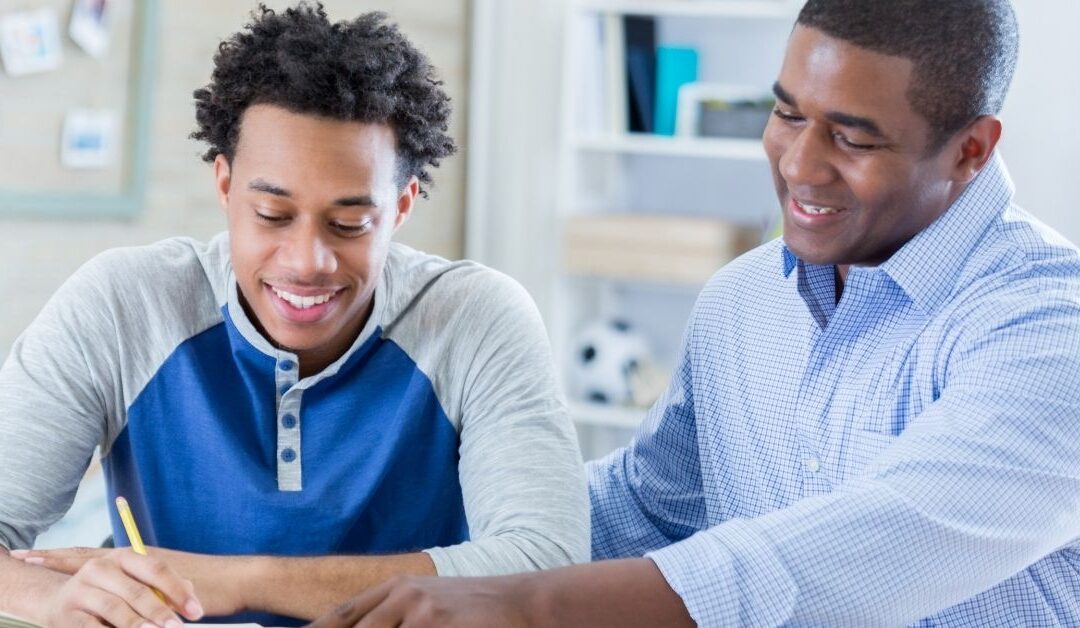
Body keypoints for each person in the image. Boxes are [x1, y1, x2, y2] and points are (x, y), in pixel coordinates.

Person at [308, 0, 1080, 625]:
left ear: (971, 150)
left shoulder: (1048, 328)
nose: (799, 165)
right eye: (787, 115)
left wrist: (521, 603)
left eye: (851, 138)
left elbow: (871, 552)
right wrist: (380, 533)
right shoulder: (743, 301)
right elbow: (646, 505)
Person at [0, 3, 588, 626]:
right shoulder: (122, 305)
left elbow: (546, 565)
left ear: (403, 207)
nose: (308, 262)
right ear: (225, 186)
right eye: (273, 216)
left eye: (349, 224)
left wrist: (241, 579)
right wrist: (56, 598)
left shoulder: (476, 321)